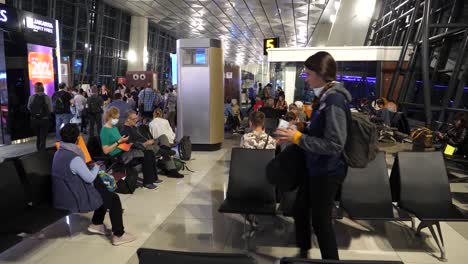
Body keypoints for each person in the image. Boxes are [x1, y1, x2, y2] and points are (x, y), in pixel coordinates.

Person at [275, 51, 351, 260]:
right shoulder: (325, 97)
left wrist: (298, 138)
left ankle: (330, 259)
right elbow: (320, 129)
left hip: (327, 171)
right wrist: (297, 130)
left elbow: (335, 144)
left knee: (321, 221)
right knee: (301, 208)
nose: (306, 79)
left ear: (319, 74)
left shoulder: (334, 101)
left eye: (308, 74)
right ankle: (303, 251)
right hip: (316, 167)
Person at [52, 123, 136, 246]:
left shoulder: (59, 152)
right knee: (113, 198)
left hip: (64, 192)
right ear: (77, 138)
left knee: (101, 188)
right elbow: (89, 178)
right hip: (73, 197)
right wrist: (97, 167)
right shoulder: (73, 157)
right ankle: (119, 235)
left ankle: (97, 223)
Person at [100, 107, 157, 189]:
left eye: (118, 118)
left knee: (149, 152)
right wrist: (119, 142)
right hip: (117, 155)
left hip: (123, 149)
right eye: (115, 118)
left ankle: (152, 179)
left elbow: (120, 142)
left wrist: (125, 142)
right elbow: (106, 151)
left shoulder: (114, 128)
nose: (117, 120)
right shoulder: (104, 131)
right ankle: (148, 182)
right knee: (147, 154)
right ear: (109, 117)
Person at [122, 111, 183, 179]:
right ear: (128, 119)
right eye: (134, 119)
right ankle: (172, 170)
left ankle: (165, 150)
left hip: (147, 143)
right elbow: (130, 145)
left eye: (137, 118)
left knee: (163, 137)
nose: (136, 120)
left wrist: (150, 140)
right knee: (156, 148)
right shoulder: (125, 131)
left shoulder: (134, 127)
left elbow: (142, 137)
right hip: (141, 147)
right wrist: (144, 143)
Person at [27, 82, 52, 150]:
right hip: (44, 120)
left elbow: (29, 107)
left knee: (38, 137)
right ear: (43, 88)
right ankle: (42, 152)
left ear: (35, 88)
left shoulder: (31, 97)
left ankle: (38, 151)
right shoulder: (47, 97)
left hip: (35, 120)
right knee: (43, 137)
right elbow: (50, 109)